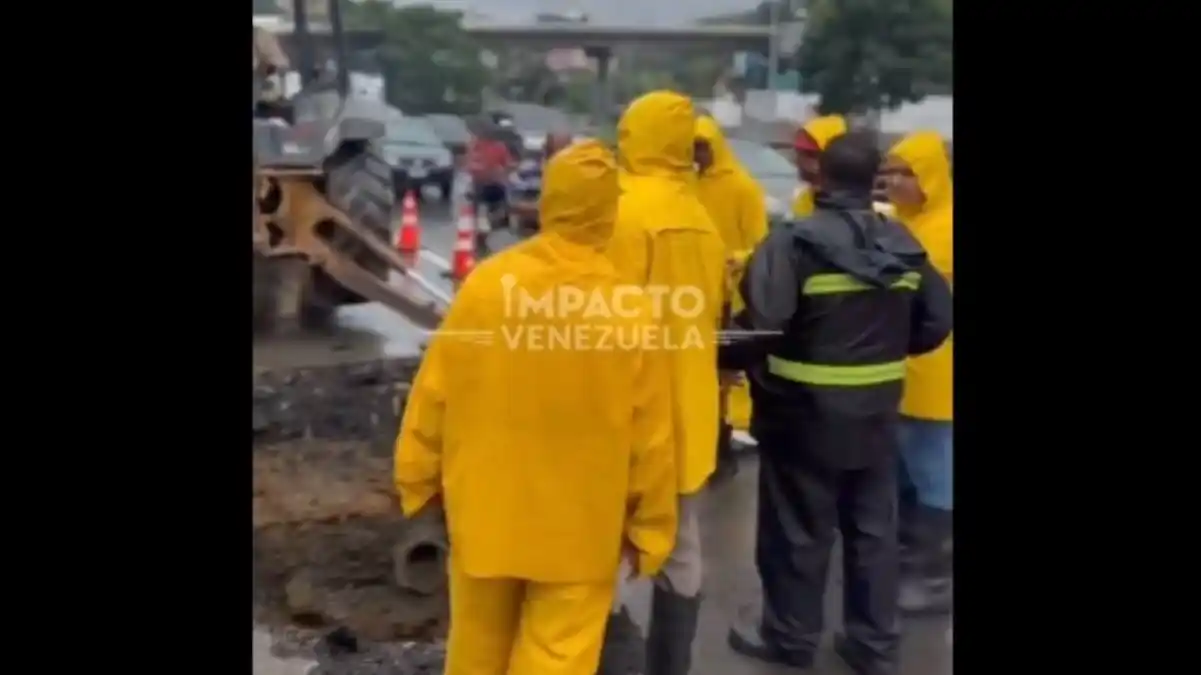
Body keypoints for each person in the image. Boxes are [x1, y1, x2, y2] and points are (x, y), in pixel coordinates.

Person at [394, 140, 680, 675]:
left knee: (477, 647)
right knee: (558, 656)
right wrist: (651, 529)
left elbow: (433, 395)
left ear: (550, 201)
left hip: (485, 514)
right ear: (607, 211)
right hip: (580, 529)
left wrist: (419, 484)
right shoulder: (629, 308)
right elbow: (651, 439)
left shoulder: (486, 286)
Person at [721, 132, 953, 675]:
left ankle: (790, 638)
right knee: (873, 532)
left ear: (819, 177)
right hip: (876, 415)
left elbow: (759, 328)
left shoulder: (792, 243)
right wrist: (890, 351)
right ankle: (871, 646)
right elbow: (938, 320)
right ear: (872, 178)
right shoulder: (901, 243)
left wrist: (723, 360)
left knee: (798, 532)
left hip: (801, 417)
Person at [605, 90, 728, 675]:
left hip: (624, 414)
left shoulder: (620, 210)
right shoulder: (701, 217)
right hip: (690, 416)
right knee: (681, 551)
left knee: (597, 553)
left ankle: (605, 659)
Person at [882, 130, 954, 617]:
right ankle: (909, 560)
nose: (892, 182)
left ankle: (934, 573)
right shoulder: (907, 226)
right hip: (904, 369)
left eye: (904, 172)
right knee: (907, 470)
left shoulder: (945, 230)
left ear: (929, 176)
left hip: (937, 372)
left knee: (934, 472)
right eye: (887, 172)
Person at [693, 115, 768, 484]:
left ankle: (723, 445)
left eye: (703, 146)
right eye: (693, 147)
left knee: (725, 375)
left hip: (731, 298)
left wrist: (735, 259)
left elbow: (761, 245)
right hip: (696, 295)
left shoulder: (743, 188)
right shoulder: (687, 185)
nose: (698, 154)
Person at [791, 115, 848, 218]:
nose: (799, 161)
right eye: (799, 153)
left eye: (810, 155)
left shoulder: (856, 207)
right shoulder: (804, 199)